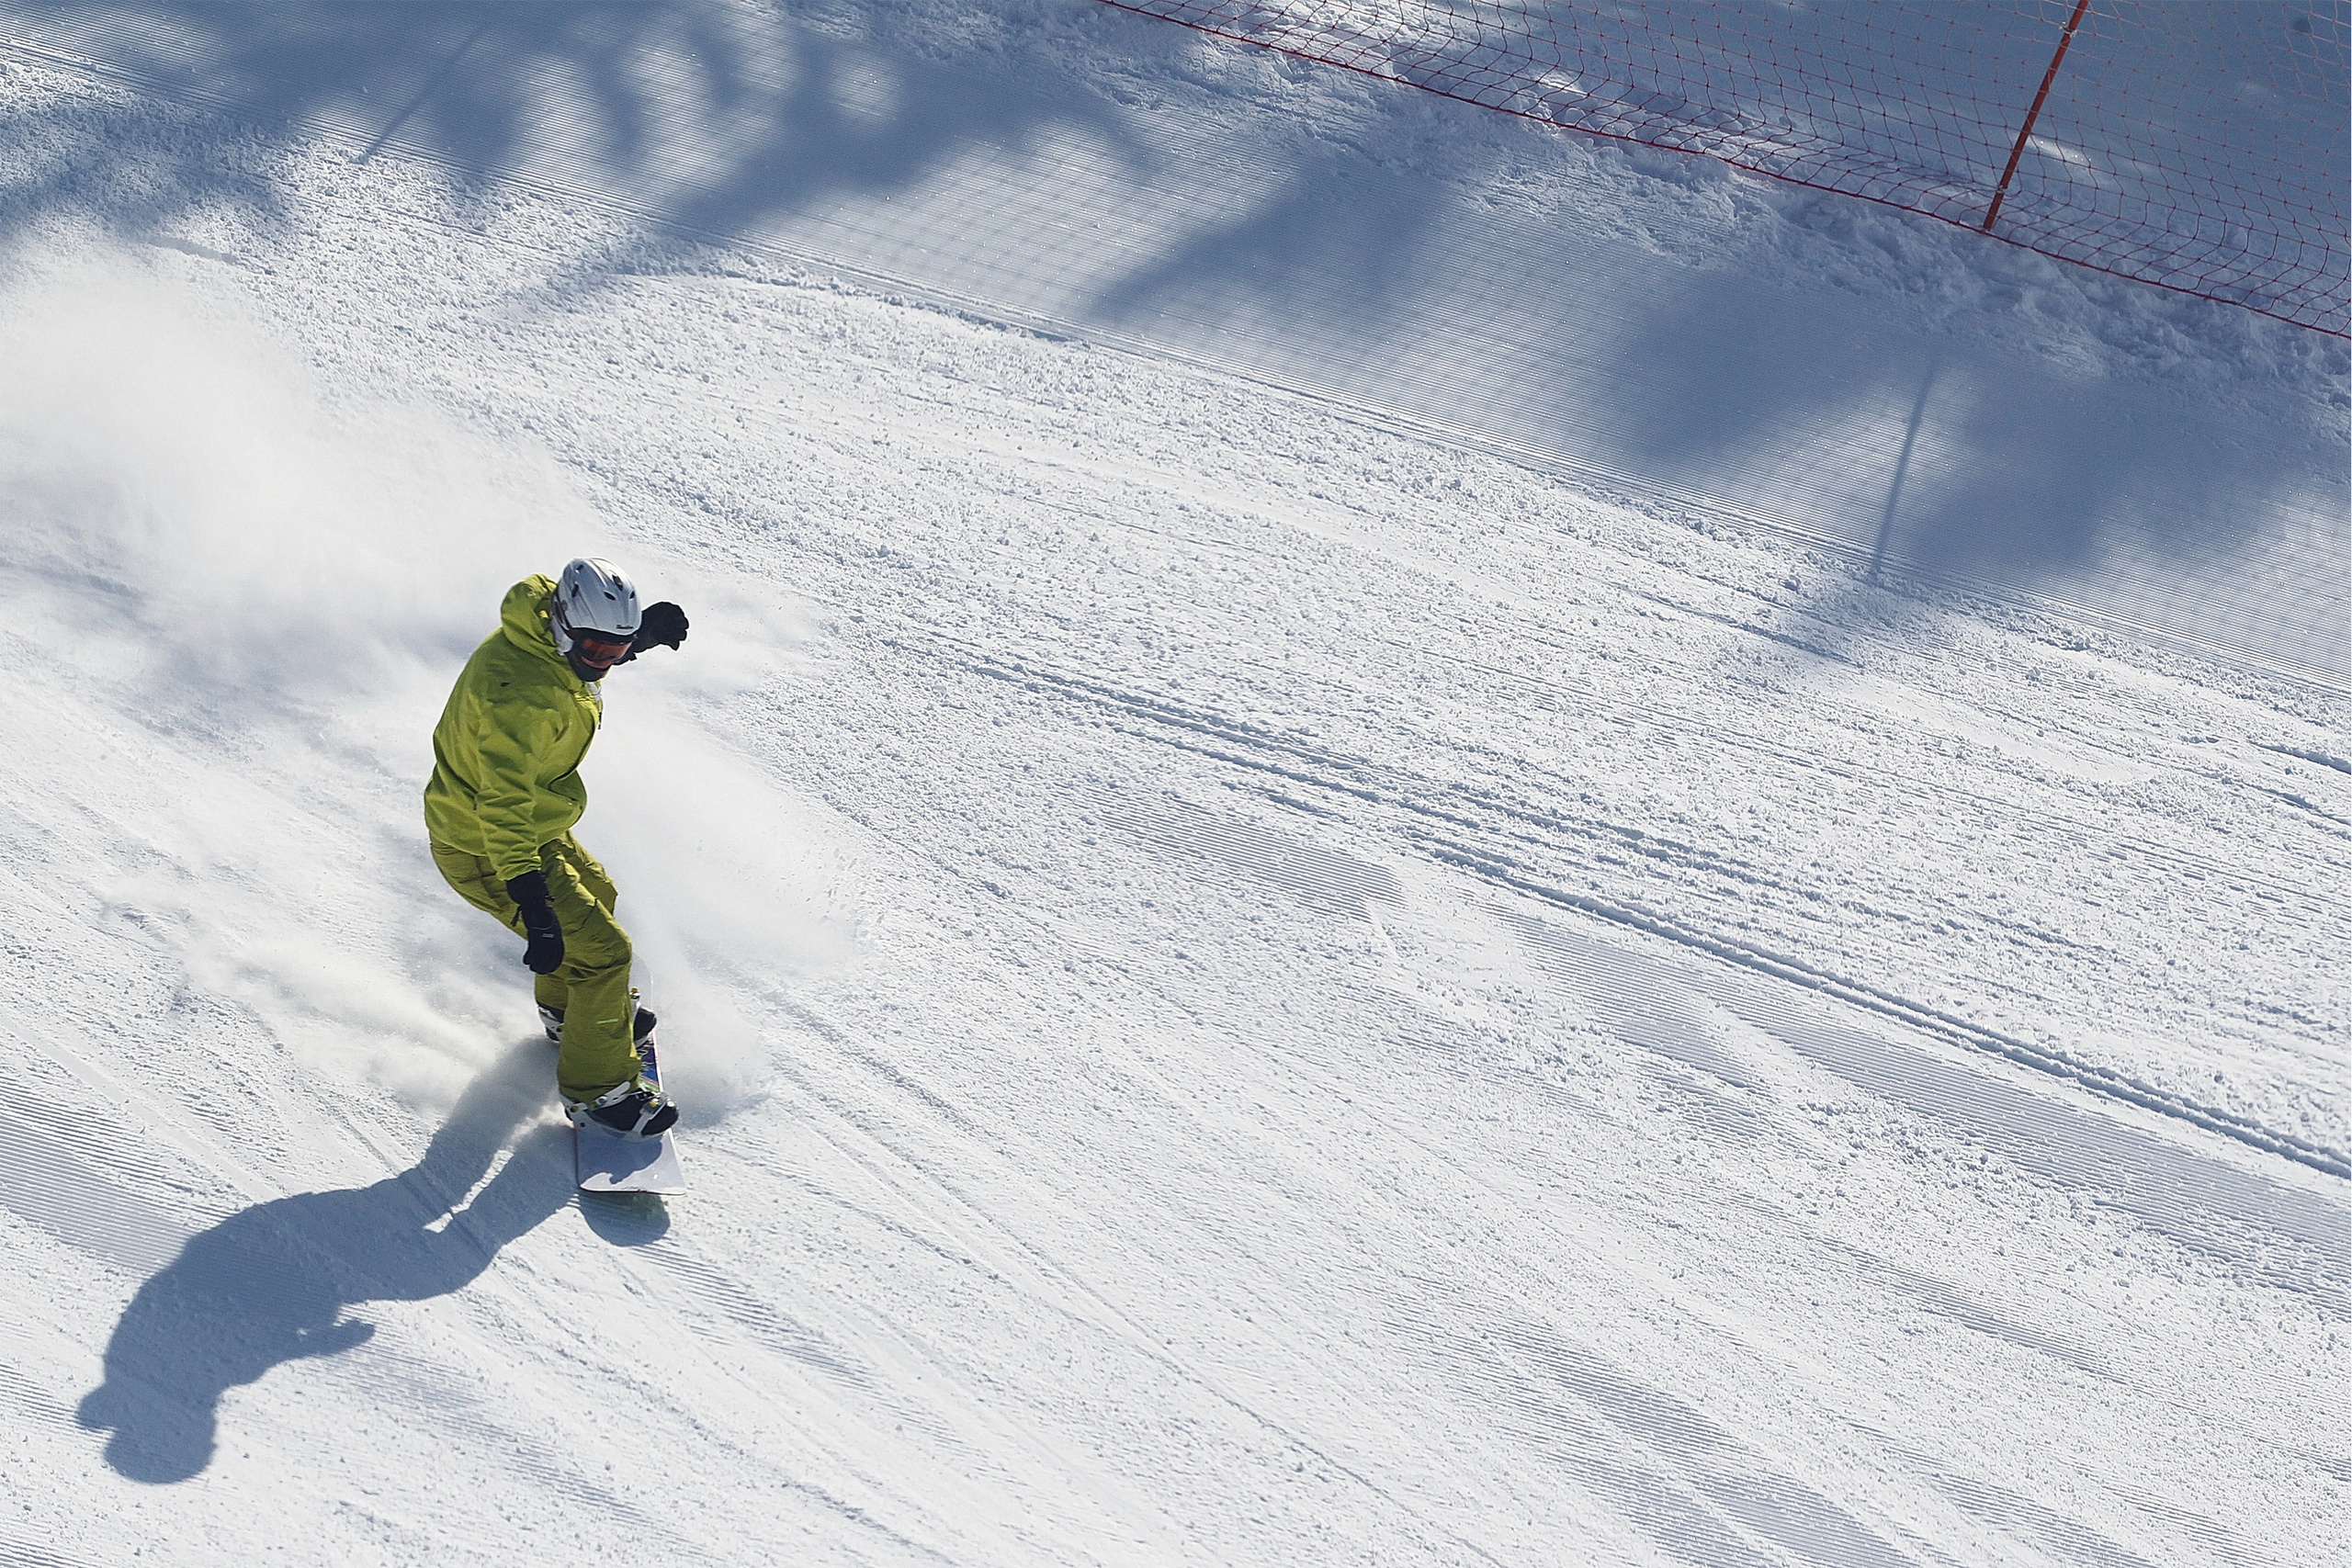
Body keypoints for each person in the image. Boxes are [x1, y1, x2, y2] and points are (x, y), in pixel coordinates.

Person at [424, 558, 689, 1139]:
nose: (603, 659)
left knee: (599, 893)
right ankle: (599, 1095)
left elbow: (581, 659)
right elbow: (502, 803)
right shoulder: (518, 699)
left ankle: (572, 1014)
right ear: (564, 626)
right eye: (593, 645)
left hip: (528, 824)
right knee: (605, 954)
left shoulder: (545, 633)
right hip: (487, 845)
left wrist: (634, 638)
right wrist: (531, 898)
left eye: (614, 648)